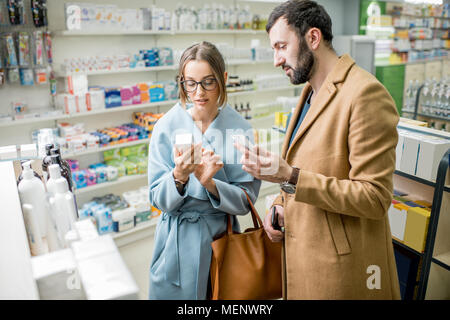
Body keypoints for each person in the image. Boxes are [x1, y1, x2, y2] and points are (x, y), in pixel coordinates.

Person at [234, 0, 401, 299]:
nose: (276, 59)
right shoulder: (308, 93)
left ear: (313, 38)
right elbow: (309, 170)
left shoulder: (365, 94)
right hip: (302, 258)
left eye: (281, 46)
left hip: (342, 272)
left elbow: (375, 198)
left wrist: (291, 176)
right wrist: (279, 206)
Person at [148, 41, 261, 300]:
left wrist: (211, 184)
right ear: (182, 83)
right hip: (175, 241)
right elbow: (156, 198)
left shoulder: (240, 129)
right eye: (190, 83)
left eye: (208, 82)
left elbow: (246, 201)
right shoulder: (165, 127)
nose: (199, 92)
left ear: (223, 79)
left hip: (220, 240)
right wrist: (178, 177)